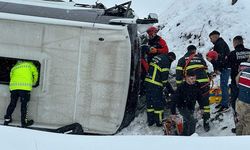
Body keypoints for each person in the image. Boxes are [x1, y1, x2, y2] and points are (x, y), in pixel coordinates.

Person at [176, 45, 210, 132]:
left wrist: (179, 88)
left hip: (194, 83)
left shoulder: (182, 59)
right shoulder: (200, 58)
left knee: (189, 102)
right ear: (194, 51)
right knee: (205, 103)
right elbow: (206, 71)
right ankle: (206, 122)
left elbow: (179, 74)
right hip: (205, 83)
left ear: (187, 50)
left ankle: (188, 122)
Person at [145, 52, 176, 127]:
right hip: (156, 83)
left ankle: (150, 121)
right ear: (171, 58)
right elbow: (164, 77)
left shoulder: (159, 57)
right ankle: (159, 122)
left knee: (150, 103)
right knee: (158, 104)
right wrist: (166, 86)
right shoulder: (166, 61)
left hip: (148, 81)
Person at [4, 60, 38, 127]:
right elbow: (36, 74)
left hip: (14, 88)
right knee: (24, 105)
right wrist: (33, 83)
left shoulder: (14, 67)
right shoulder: (30, 65)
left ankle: (7, 119)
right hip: (25, 88)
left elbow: (11, 77)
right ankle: (24, 122)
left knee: (12, 104)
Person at [171, 70, 204, 136]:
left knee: (187, 122)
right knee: (192, 121)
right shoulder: (181, 86)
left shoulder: (197, 84)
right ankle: (192, 138)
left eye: (195, 78)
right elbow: (174, 99)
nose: (194, 80)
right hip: (182, 106)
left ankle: (184, 136)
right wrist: (173, 113)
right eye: (192, 78)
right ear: (186, 78)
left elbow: (199, 97)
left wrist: (202, 107)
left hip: (191, 106)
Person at [209, 30, 231, 112]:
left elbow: (220, 58)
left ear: (215, 36)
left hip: (225, 67)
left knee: (224, 86)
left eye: (211, 38)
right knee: (223, 85)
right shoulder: (220, 43)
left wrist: (217, 68)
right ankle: (223, 102)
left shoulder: (219, 44)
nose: (210, 40)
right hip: (224, 67)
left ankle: (225, 104)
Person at [228, 36, 250, 112]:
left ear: (235, 43)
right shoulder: (249, 51)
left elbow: (227, 65)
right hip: (248, 82)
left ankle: (236, 115)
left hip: (236, 81)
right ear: (242, 42)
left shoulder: (232, 54)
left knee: (234, 99)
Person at [235, 62, 250, 135]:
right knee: (248, 124)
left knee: (241, 121)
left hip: (240, 101)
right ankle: (245, 143)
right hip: (248, 103)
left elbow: (237, 83)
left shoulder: (243, 72)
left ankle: (238, 139)